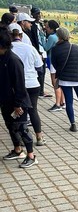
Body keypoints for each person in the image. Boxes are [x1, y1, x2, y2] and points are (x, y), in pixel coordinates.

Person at [0, 28, 38, 168]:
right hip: (5, 100)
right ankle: (17, 150)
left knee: (22, 128)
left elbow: (20, 85)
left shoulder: (13, 61)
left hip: (18, 102)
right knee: (10, 126)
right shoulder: (2, 58)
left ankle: (31, 156)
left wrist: (18, 104)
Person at [50, 27, 78, 132]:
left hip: (64, 78)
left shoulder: (55, 49)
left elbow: (55, 64)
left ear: (58, 36)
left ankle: (73, 124)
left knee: (69, 102)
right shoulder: (75, 47)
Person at [10, 24, 46, 146]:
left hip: (16, 85)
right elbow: (40, 67)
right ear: (21, 35)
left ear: (10, 35)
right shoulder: (30, 48)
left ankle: (20, 138)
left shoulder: (8, 49)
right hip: (32, 83)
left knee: (19, 112)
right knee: (33, 110)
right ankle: (39, 137)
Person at [39, 19, 64, 111]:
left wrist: (42, 37)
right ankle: (62, 101)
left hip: (52, 60)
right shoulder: (59, 36)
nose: (46, 28)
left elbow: (46, 47)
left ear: (51, 28)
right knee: (60, 82)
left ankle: (57, 104)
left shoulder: (52, 37)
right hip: (60, 60)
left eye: (47, 27)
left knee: (55, 82)